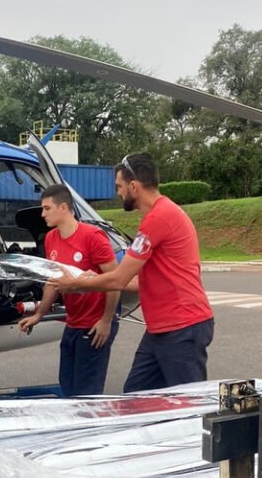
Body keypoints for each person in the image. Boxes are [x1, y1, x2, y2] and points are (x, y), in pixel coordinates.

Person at [53, 153, 214, 392]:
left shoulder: (158, 218)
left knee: (190, 403)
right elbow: (137, 282)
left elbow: (119, 279)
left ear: (134, 186)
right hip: (161, 329)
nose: (118, 192)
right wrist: (94, 278)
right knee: (136, 397)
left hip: (181, 327)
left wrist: (75, 284)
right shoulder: (160, 214)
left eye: (119, 186)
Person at [18, 184, 119, 395]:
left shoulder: (93, 236)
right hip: (74, 322)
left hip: (95, 323)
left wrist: (106, 321)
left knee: (86, 391)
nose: (42, 214)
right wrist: (39, 315)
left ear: (63, 208)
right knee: (67, 384)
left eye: (47, 208)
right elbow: (53, 281)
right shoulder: (51, 238)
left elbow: (115, 282)